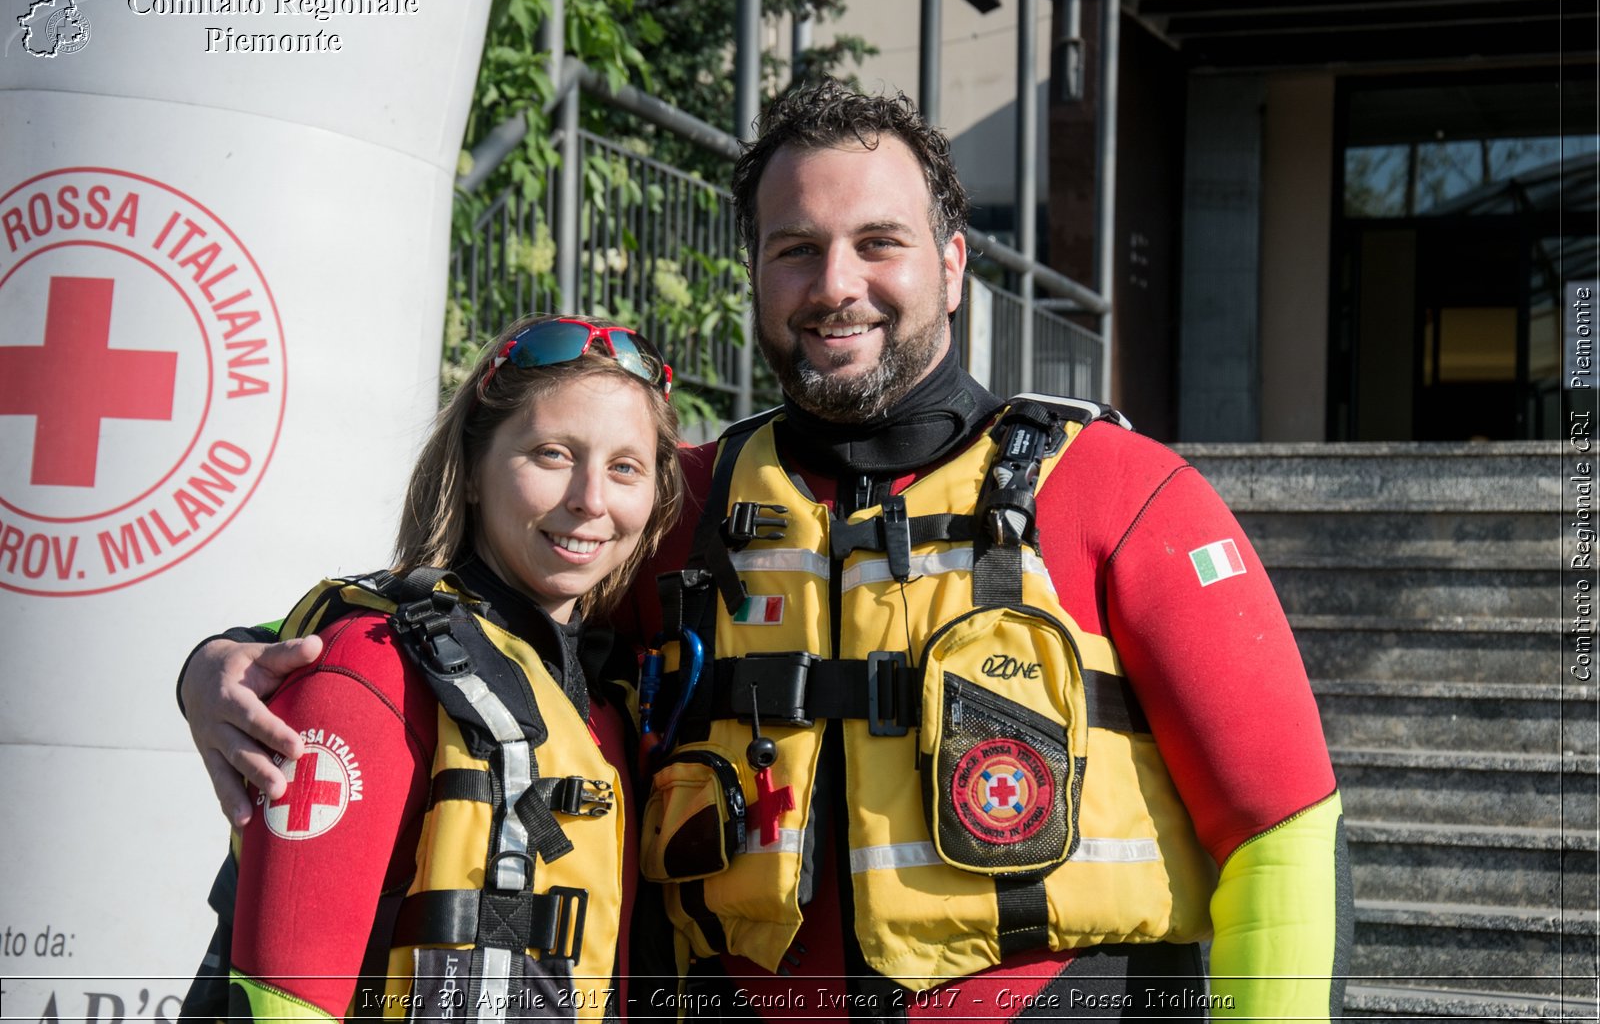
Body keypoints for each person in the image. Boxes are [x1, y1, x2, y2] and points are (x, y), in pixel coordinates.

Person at [180, 82, 1350, 1021]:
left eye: (876, 243)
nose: (835, 286)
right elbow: (478, 639)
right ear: (755, 272)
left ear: (951, 260)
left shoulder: (1123, 494)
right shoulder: (675, 503)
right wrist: (234, 655)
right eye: (796, 248)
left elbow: (1281, 829)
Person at [180, 315, 683, 1024]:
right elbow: (277, 1004)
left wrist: (203, 659)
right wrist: (208, 662)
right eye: (551, 454)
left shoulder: (605, 695)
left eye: (624, 467)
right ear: (474, 471)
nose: (591, 500)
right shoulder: (364, 665)